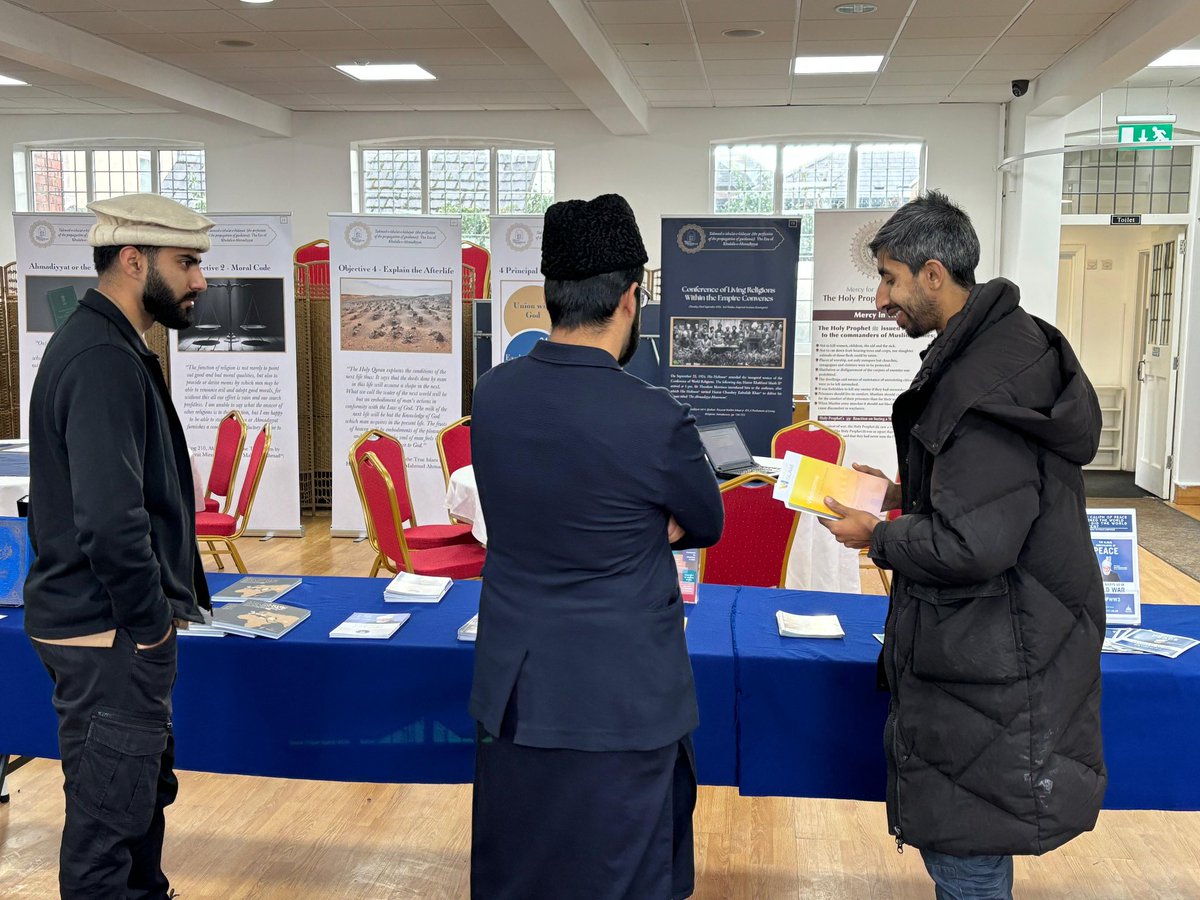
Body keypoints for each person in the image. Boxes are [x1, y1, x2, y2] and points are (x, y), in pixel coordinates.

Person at [821, 191, 1106, 899]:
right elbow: (988, 496)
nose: (882, 299)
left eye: (889, 278)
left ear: (934, 274)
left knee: (969, 861)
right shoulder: (1005, 346)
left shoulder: (983, 379)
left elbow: (970, 542)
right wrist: (901, 493)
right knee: (971, 854)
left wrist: (880, 536)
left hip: (991, 655)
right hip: (1002, 647)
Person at [468, 193, 725, 900]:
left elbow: (523, 504)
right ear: (631, 299)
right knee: (625, 877)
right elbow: (706, 522)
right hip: (623, 700)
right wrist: (648, 521)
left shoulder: (492, 396)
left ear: (550, 295)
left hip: (515, 689)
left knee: (519, 872)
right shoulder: (653, 415)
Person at [24, 193, 215, 898]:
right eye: (187, 262)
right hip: (109, 635)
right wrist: (151, 626)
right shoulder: (102, 356)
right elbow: (109, 519)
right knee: (108, 835)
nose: (199, 280)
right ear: (133, 261)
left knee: (132, 817)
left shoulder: (104, 343)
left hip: (108, 631)